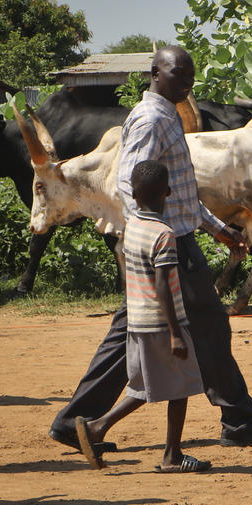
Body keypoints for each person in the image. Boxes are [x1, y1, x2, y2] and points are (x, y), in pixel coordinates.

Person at [49, 45, 252, 455]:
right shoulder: (151, 119)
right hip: (170, 245)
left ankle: (75, 422)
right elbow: (131, 183)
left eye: (190, 75)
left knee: (132, 333)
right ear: (155, 73)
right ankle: (239, 421)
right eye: (179, 73)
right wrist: (151, 236)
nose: (187, 81)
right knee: (210, 328)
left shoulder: (167, 115)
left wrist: (217, 228)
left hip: (173, 238)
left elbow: (177, 190)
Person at [76, 160, 210, 473]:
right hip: (162, 323)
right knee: (182, 386)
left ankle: (98, 428)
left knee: (145, 385)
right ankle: (171, 456)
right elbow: (163, 285)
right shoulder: (164, 234)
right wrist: (176, 333)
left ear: (134, 194)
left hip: (137, 320)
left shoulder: (132, 225)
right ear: (168, 192)